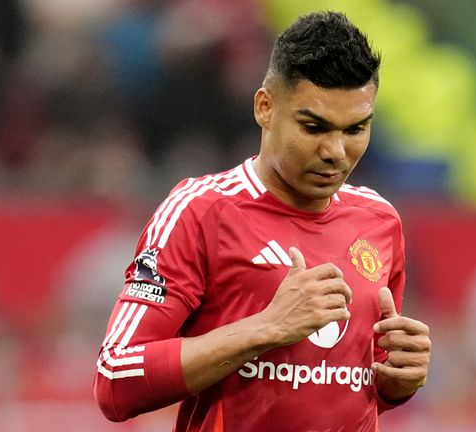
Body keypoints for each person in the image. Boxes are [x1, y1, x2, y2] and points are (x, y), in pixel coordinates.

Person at [94, 11, 431, 431]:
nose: (336, 151)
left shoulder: (380, 221)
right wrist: (267, 328)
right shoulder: (201, 211)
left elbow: (342, 387)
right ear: (265, 107)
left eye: (355, 129)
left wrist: (399, 380)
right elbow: (115, 377)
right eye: (314, 127)